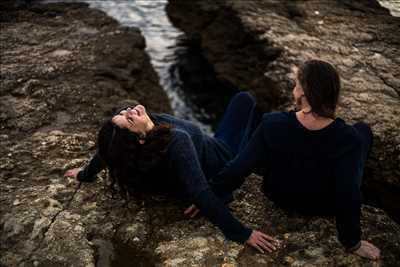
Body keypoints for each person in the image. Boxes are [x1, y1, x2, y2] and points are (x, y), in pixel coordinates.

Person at [194, 60, 380, 260]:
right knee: (363, 131)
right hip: (323, 206)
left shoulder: (272, 124)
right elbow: (348, 194)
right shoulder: (348, 139)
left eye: (296, 84)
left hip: (279, 196)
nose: (294, 88)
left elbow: (238, 169)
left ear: (303, 93)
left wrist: (208, 196)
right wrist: (352, 242)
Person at [64, 92, 279, 253]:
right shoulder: (176, 141)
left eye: (122, 114)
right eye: (128, 119)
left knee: (252, 119)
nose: (128, 111)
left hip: (206, 152)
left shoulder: (133, 145)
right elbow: (201, 192)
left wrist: (85, 174)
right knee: (247, 101)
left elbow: (109, 151)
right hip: (223, 156)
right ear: (139, 138)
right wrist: (242, 233)